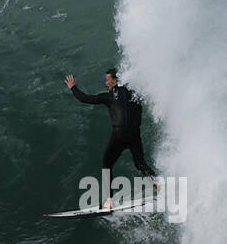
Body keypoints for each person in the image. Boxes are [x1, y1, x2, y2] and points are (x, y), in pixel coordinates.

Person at [65, 68, 159, 209]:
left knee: (107, 165)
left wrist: (73, 88)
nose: (106, 82)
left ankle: (110, 200)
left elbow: (86, 98)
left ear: (115, 80)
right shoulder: (135, 93)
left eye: (108, 79)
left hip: (119, 135)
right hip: (134, 135)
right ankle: (160, 185)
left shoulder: (108, 96)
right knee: (140, 164)